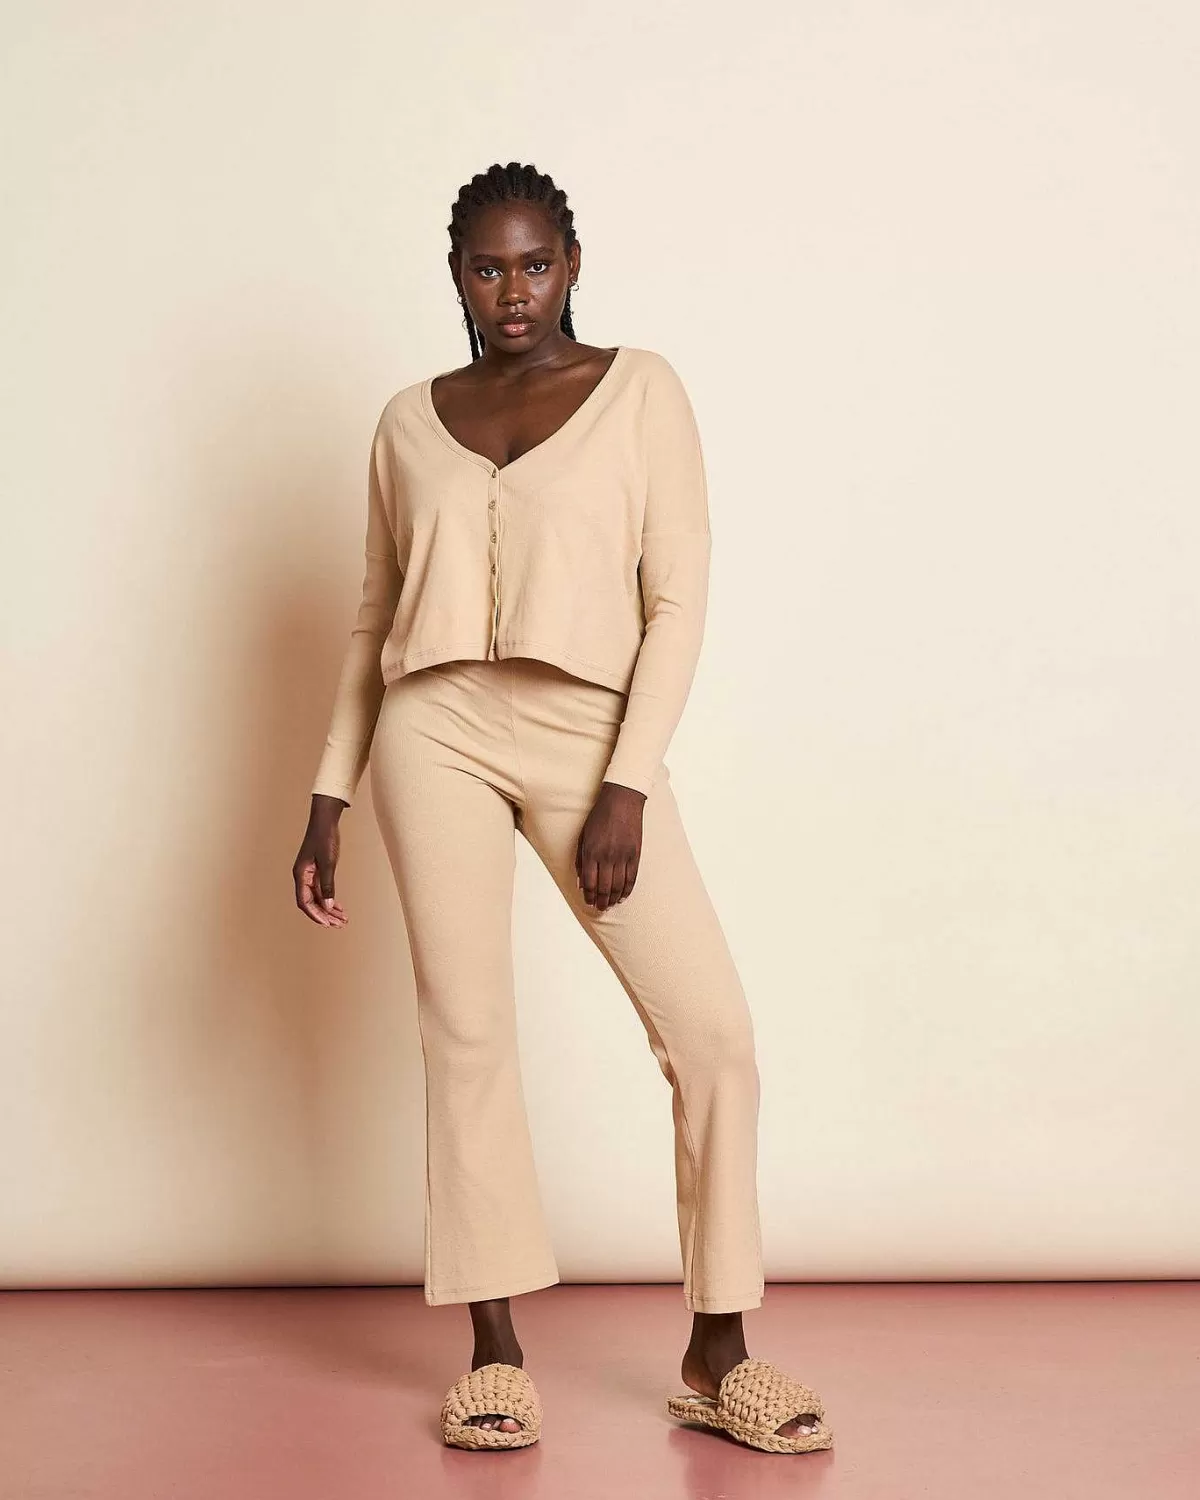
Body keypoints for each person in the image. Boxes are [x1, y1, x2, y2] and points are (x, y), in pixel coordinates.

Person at [292, 161, 832, 1456]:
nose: (513, 291)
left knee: (713, 1035)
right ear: (457, 277)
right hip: (433, 731)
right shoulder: (406, 421)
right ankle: (493, 1353)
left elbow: (676, 602)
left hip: (590, 735)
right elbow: (374, 613)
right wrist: (328, 791)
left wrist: (626, 782)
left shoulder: (642, 391)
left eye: (534, 263)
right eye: (488, 267)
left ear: (572, 264)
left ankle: (718, 1352)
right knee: (466, 1033)